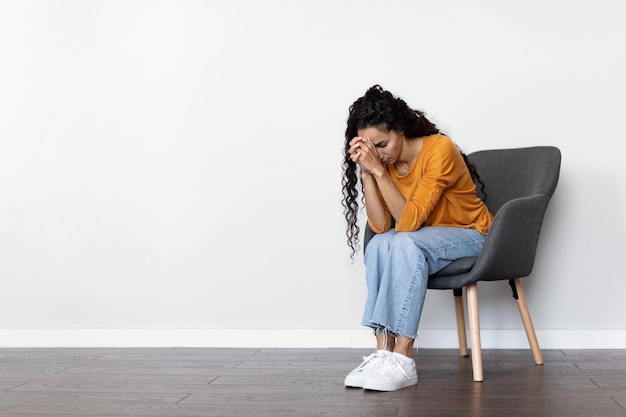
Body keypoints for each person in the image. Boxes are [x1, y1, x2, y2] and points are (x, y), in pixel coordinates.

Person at [341, 85, 493, 392]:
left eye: (382, 145)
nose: (378, 155)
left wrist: (379, 172)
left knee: (404, 240)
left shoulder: (439, 150)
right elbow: (383, 227)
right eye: (371, 150)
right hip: (427, 241)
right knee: (382, 243)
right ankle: (383, 349)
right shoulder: (381, 165)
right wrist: (368, 174)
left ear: (400, 129)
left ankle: (404, 357)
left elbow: (408, 223)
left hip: (474, 236)